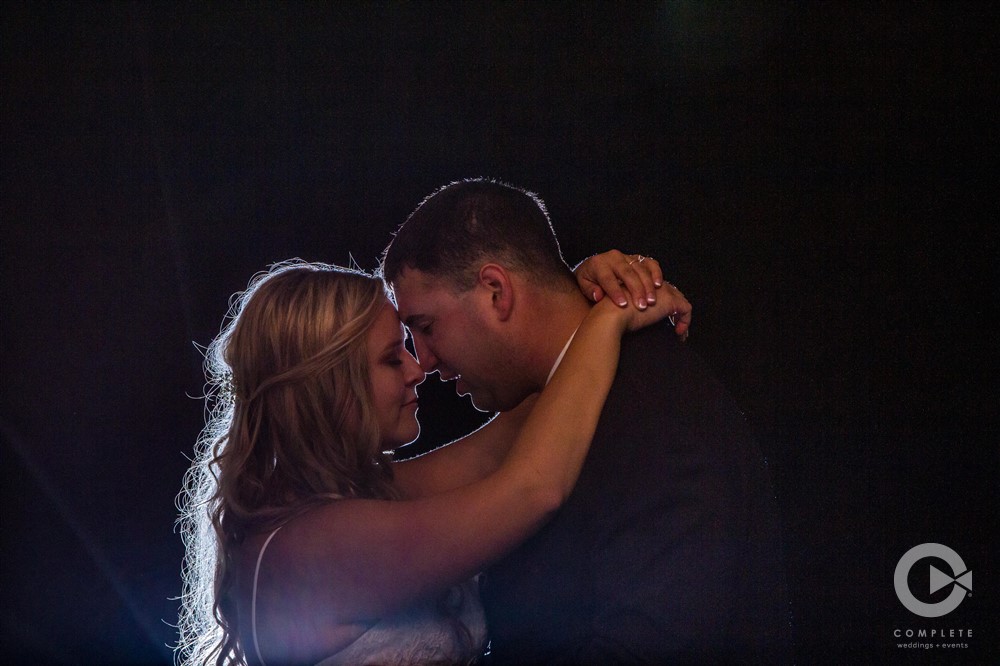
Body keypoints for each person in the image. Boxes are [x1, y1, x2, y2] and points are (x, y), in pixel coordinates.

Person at [175, 252, 686, 666]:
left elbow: (509, 437)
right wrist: (614, 314)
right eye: (391, 357)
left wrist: (565, 300)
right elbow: (534, 490)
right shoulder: (316, 548)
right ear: (329, 386)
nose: (418, 369)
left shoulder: (351, 503)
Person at [381, 178, 792, 664]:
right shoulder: (565, 405)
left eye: (426, 328)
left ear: (496, 292)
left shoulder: (653, 415)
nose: (422, 361)